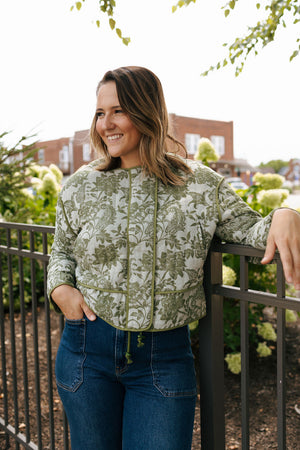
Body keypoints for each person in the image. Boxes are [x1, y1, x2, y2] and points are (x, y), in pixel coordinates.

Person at [47, 66, 300, 450]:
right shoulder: (80, 185)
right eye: (100, 113)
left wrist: (286, 213)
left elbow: (252, 231)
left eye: (118, 111)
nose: (106, 124)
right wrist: (61, 287)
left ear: (147, 110)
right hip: (86, 352)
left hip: (161, 360)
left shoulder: (199, 184)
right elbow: (62, 251)